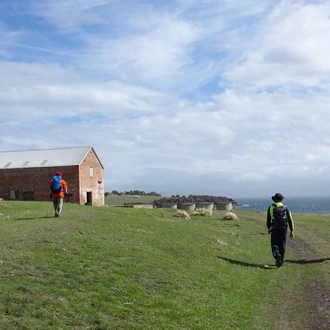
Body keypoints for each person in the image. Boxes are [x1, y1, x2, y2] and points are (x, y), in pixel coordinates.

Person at [267, 193, 294, 267]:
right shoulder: (285, 207)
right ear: (281, 199)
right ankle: (281, 261)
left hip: (274, 228)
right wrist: (292, 230)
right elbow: (290, 219)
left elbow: (269, 219)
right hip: (283, 228)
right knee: (282, 244)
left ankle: (276, 255)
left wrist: (269, 228)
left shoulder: (271, 207)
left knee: (274, 243)